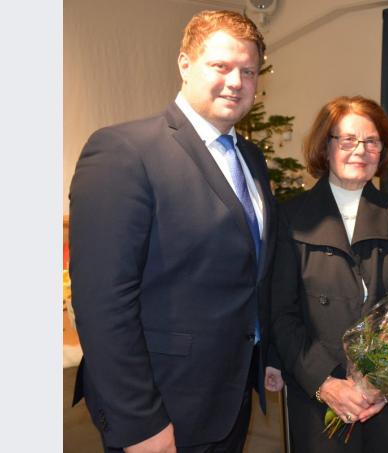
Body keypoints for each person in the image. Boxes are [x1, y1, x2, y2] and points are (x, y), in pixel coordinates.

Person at [69, 10, 283, 452]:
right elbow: (102, 304)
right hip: (162, 410)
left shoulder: (253, 160)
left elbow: (251, 274)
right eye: (220, 66)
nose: (236, 81)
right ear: (185, 64)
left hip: (229, 398)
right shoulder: (124, 151)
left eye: (248, 71)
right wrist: (138, 424)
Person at [269, 96, 388, 452]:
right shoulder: (291, 217)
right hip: (317, 393)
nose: (361, 150)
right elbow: (281, 312)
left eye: (372, 141)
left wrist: (386, 383)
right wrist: (325, 382)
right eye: (347, 140)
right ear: (326, 148)